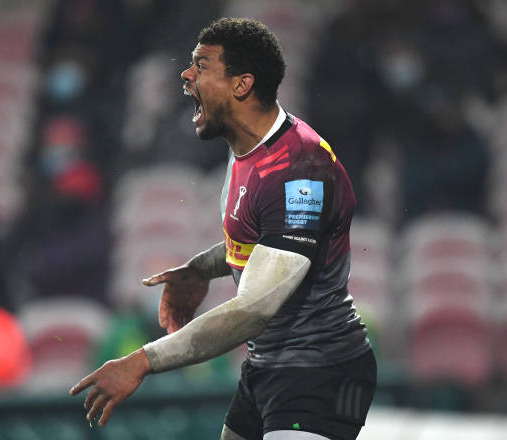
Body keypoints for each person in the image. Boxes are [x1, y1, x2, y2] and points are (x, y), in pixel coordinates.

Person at [70, 18, 376, 440]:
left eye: (201, 65)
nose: (186, 74)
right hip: (268, 366)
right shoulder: (245, 152)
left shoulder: (300, 170)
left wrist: (142, 360)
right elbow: (262, 241)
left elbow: (254, 309)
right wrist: (200, 269)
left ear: (241, 85)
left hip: (318, 370)